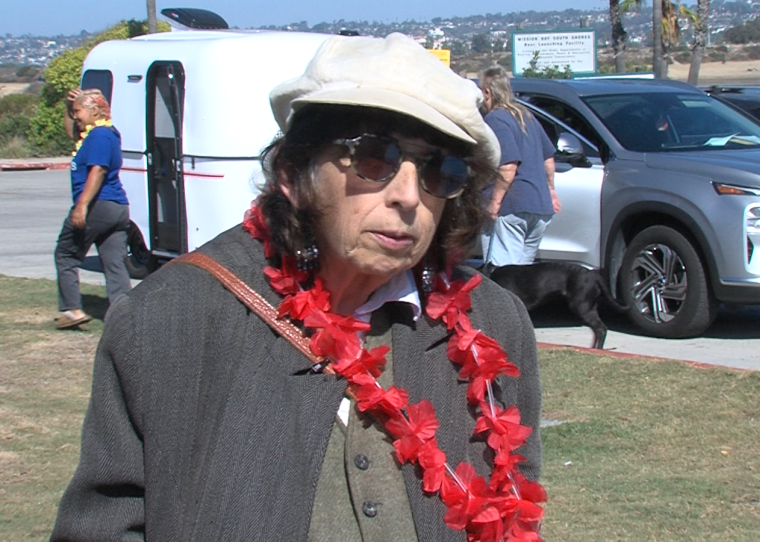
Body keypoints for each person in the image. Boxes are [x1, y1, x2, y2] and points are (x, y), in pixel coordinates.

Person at [52, 34, 544, 541]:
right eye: (374, 158)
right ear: (292, 172)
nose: (407, 196)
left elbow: (515, 500)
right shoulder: (171, 319)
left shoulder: (493, 322)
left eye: (440, 170)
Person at [53, 88, 131, 329]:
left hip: (99, 205)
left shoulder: (98, 136)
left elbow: (98, 170)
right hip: (117, 208)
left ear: (95, 110)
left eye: (78, 110)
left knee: (66, 254)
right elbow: (71, 133)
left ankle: (72, 310)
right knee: (113, 261)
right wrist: (69, 107)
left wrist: (82, 206)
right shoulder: (103, 134)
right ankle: (124, 315)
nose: (75, 116)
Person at [478, 66, 560, 267]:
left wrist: (494, 203)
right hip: (539, 207)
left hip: (511, 208)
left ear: (487, 92)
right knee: (521, 279)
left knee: (502, 276)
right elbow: (548, 160)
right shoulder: (527, 116)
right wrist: (551, 191)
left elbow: (508, 166)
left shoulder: (495, 119)